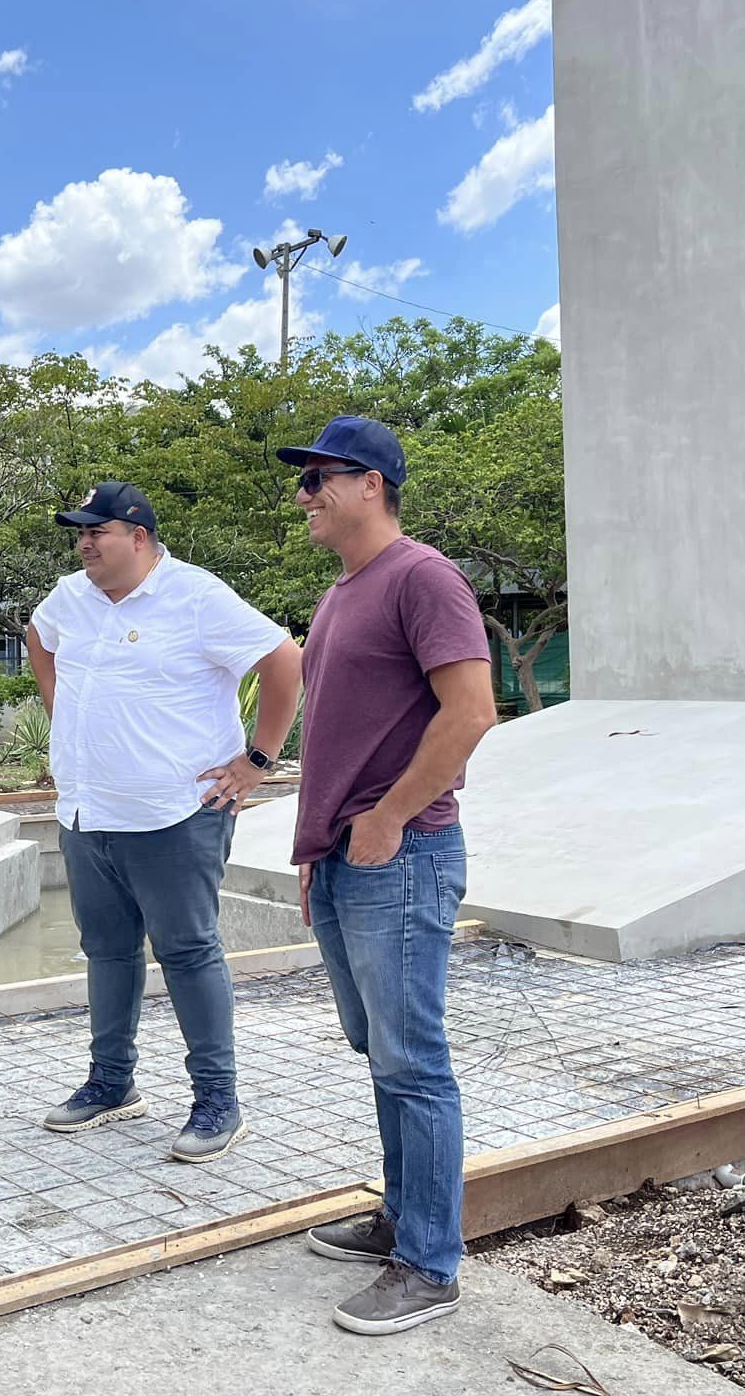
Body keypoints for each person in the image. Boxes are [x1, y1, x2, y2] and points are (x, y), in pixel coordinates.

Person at [277, 417, 496, 1334]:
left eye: (320, 477)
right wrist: (319, 848)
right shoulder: (341, 594)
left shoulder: (423, 577)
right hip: (347, 860)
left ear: (372, 483)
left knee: (414, 1063)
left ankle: (431, 1266)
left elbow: (473, 709)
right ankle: (404, 1220)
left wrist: (392, 814)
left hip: (401, 855)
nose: (305, 496)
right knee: (383, 1053)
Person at [26, 480, 303, 1163]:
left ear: (140, 538)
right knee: (108, 951)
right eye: (81, 533)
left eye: (99, 531)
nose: (85, 543)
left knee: (187, 951)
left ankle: (218, 1100)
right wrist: (65, 714)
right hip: (89, 810)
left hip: (175, 814)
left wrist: (259, 758)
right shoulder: (71, 596)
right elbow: (37, 635)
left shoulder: (196, 596)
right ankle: (112, 1085)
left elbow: (284, 659)